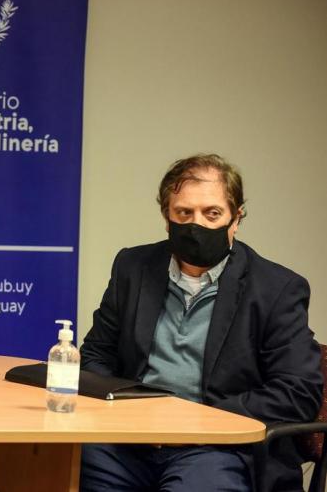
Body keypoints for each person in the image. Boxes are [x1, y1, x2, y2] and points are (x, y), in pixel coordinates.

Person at [79, 154, 322, 491]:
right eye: (184, 213)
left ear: (235, 219)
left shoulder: (276, 289)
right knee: (48, 465)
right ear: (167, 218)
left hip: (218, 448)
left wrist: (202, 417)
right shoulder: (133, 267)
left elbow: (299, 391)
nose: (197, 226)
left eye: (212, 214)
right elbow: (96, 355)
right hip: (128, 442)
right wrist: (125, 411)